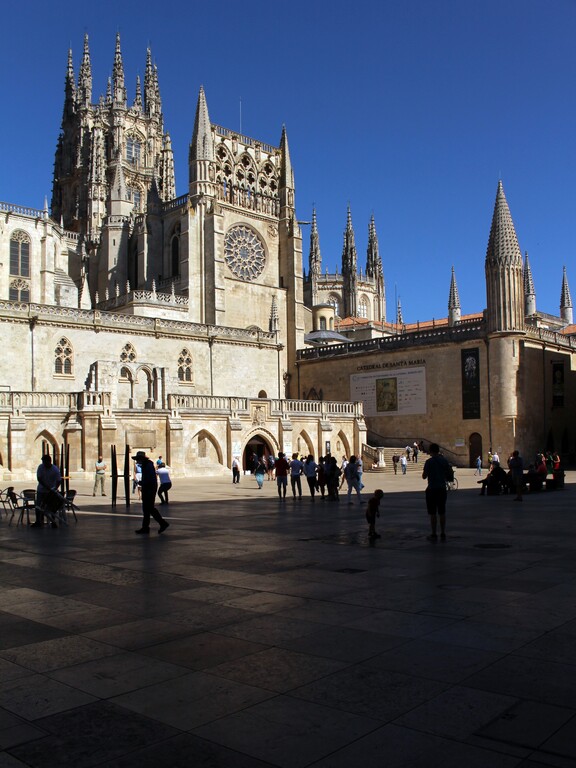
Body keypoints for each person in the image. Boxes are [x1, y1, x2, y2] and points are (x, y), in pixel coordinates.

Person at [422, 443, 453, 541]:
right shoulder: (444, 461)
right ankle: (443, 532)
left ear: (431, 451)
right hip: (442, 488)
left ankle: (434, 533)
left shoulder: (429, 462)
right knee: (442, 512)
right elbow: (449, 473)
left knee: (433, 513)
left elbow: (424, 476)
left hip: (432, 489)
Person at [133, 450, 169, 534]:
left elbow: (150, 479)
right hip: (148, 488)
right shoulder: (146, 465)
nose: (137, 461)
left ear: (141, 459)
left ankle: (162, 523)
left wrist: (142, 483)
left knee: (149, 508)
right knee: (146, 509)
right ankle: (146, 527)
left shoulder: (147, 465)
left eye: (138, 459)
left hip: (149, 490)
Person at [31, 454, 62, 528]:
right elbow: (39, 478)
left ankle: (53, 521)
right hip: (41, 490)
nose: (44, 463)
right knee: (38, 506)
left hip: (51, 492)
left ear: (49, 461)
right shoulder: (40, 467)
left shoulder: (55, 469)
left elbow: (58, 480)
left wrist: (54, 488)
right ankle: (38, 521)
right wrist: (46, 486)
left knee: (52, 507)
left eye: (45, 462)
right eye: (43, 462)